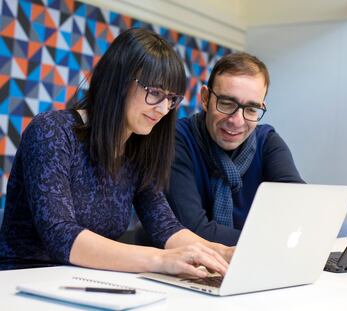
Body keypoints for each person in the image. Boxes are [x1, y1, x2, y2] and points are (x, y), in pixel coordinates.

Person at [0, 28, 233, 276]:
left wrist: (220, 252)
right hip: (24, 279)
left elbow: (164, 226)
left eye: (171, 98)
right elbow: (60, 235)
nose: (164, 109)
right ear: (118, 81)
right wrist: (160, 259)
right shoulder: (52, 131)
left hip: (85, 279)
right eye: (154, 93)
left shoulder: (138, 148)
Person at [166, 52, 304, 246]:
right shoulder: (176, 139)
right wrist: (270, 242)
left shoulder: (267, 142)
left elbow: (301, 209)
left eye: (251, 109)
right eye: (226, 103)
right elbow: (193, 231)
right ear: (205, 98)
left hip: (247, 265)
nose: (237, 121)